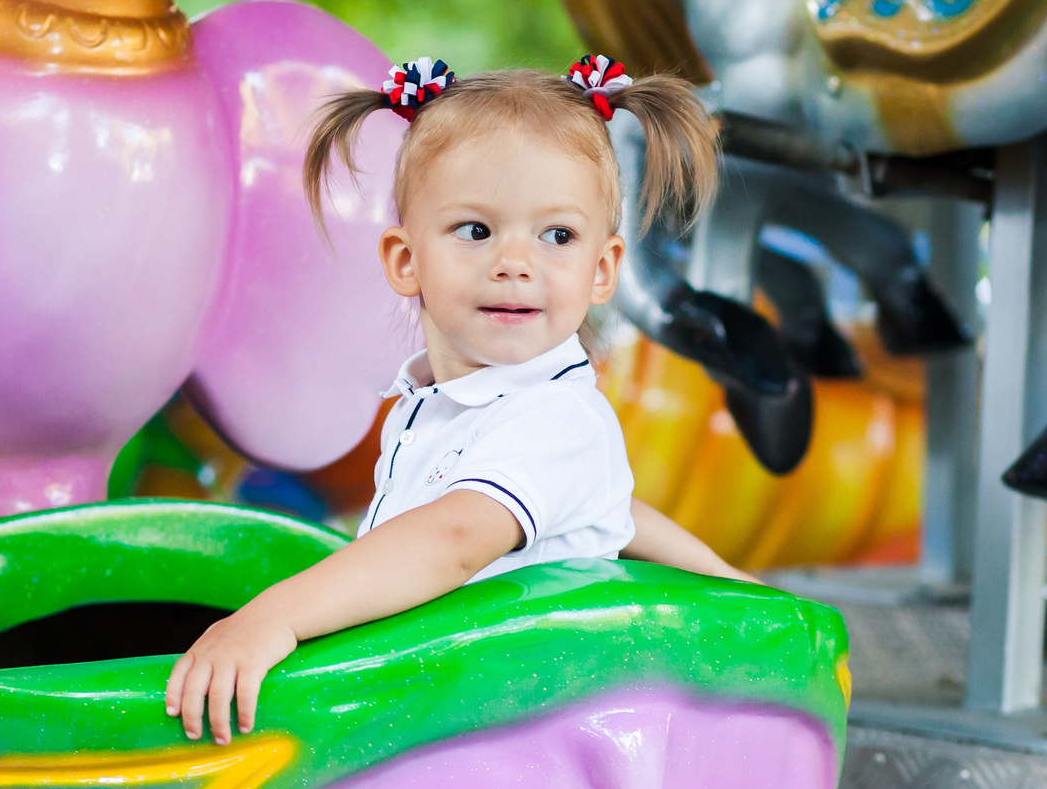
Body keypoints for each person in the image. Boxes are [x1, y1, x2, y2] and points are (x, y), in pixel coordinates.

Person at [167, 54, 756, 744]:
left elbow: (453, 539)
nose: (516, 263)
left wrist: (274, 616)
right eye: (476, 230)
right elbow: (610, 508)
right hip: (451, 712)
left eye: (557, 235)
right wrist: (726, 580)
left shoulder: (554, 416)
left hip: (510, 735)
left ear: (603, 270)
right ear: (406, 260)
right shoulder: (451, 404)